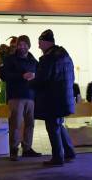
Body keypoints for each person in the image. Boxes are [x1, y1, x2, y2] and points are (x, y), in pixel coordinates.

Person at [27, 29, 76, 167]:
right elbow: (72, 77)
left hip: (52, 100)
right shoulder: (65, 55)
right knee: (58, 124)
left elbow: (43, 79)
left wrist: (30, 81)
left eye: (40, 43)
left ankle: (57, 158)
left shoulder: (48, 58)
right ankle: (69, 152)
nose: (38, 46)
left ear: (45, 42)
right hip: (63, 97)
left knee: (52, 127)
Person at [0, 35, 41, 160]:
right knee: (15, 125)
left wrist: (35, 77)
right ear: (17, 46)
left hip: (30, 97)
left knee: (30, 124)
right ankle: (14, 150)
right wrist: (21, 76)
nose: (22, 47)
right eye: (20, 45)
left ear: (29, 46)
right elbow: (4, 76)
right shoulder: (10, 59)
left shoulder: (33, 61)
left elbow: (39, 75)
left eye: (24, 44)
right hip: (15, 97)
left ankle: (27, 148)